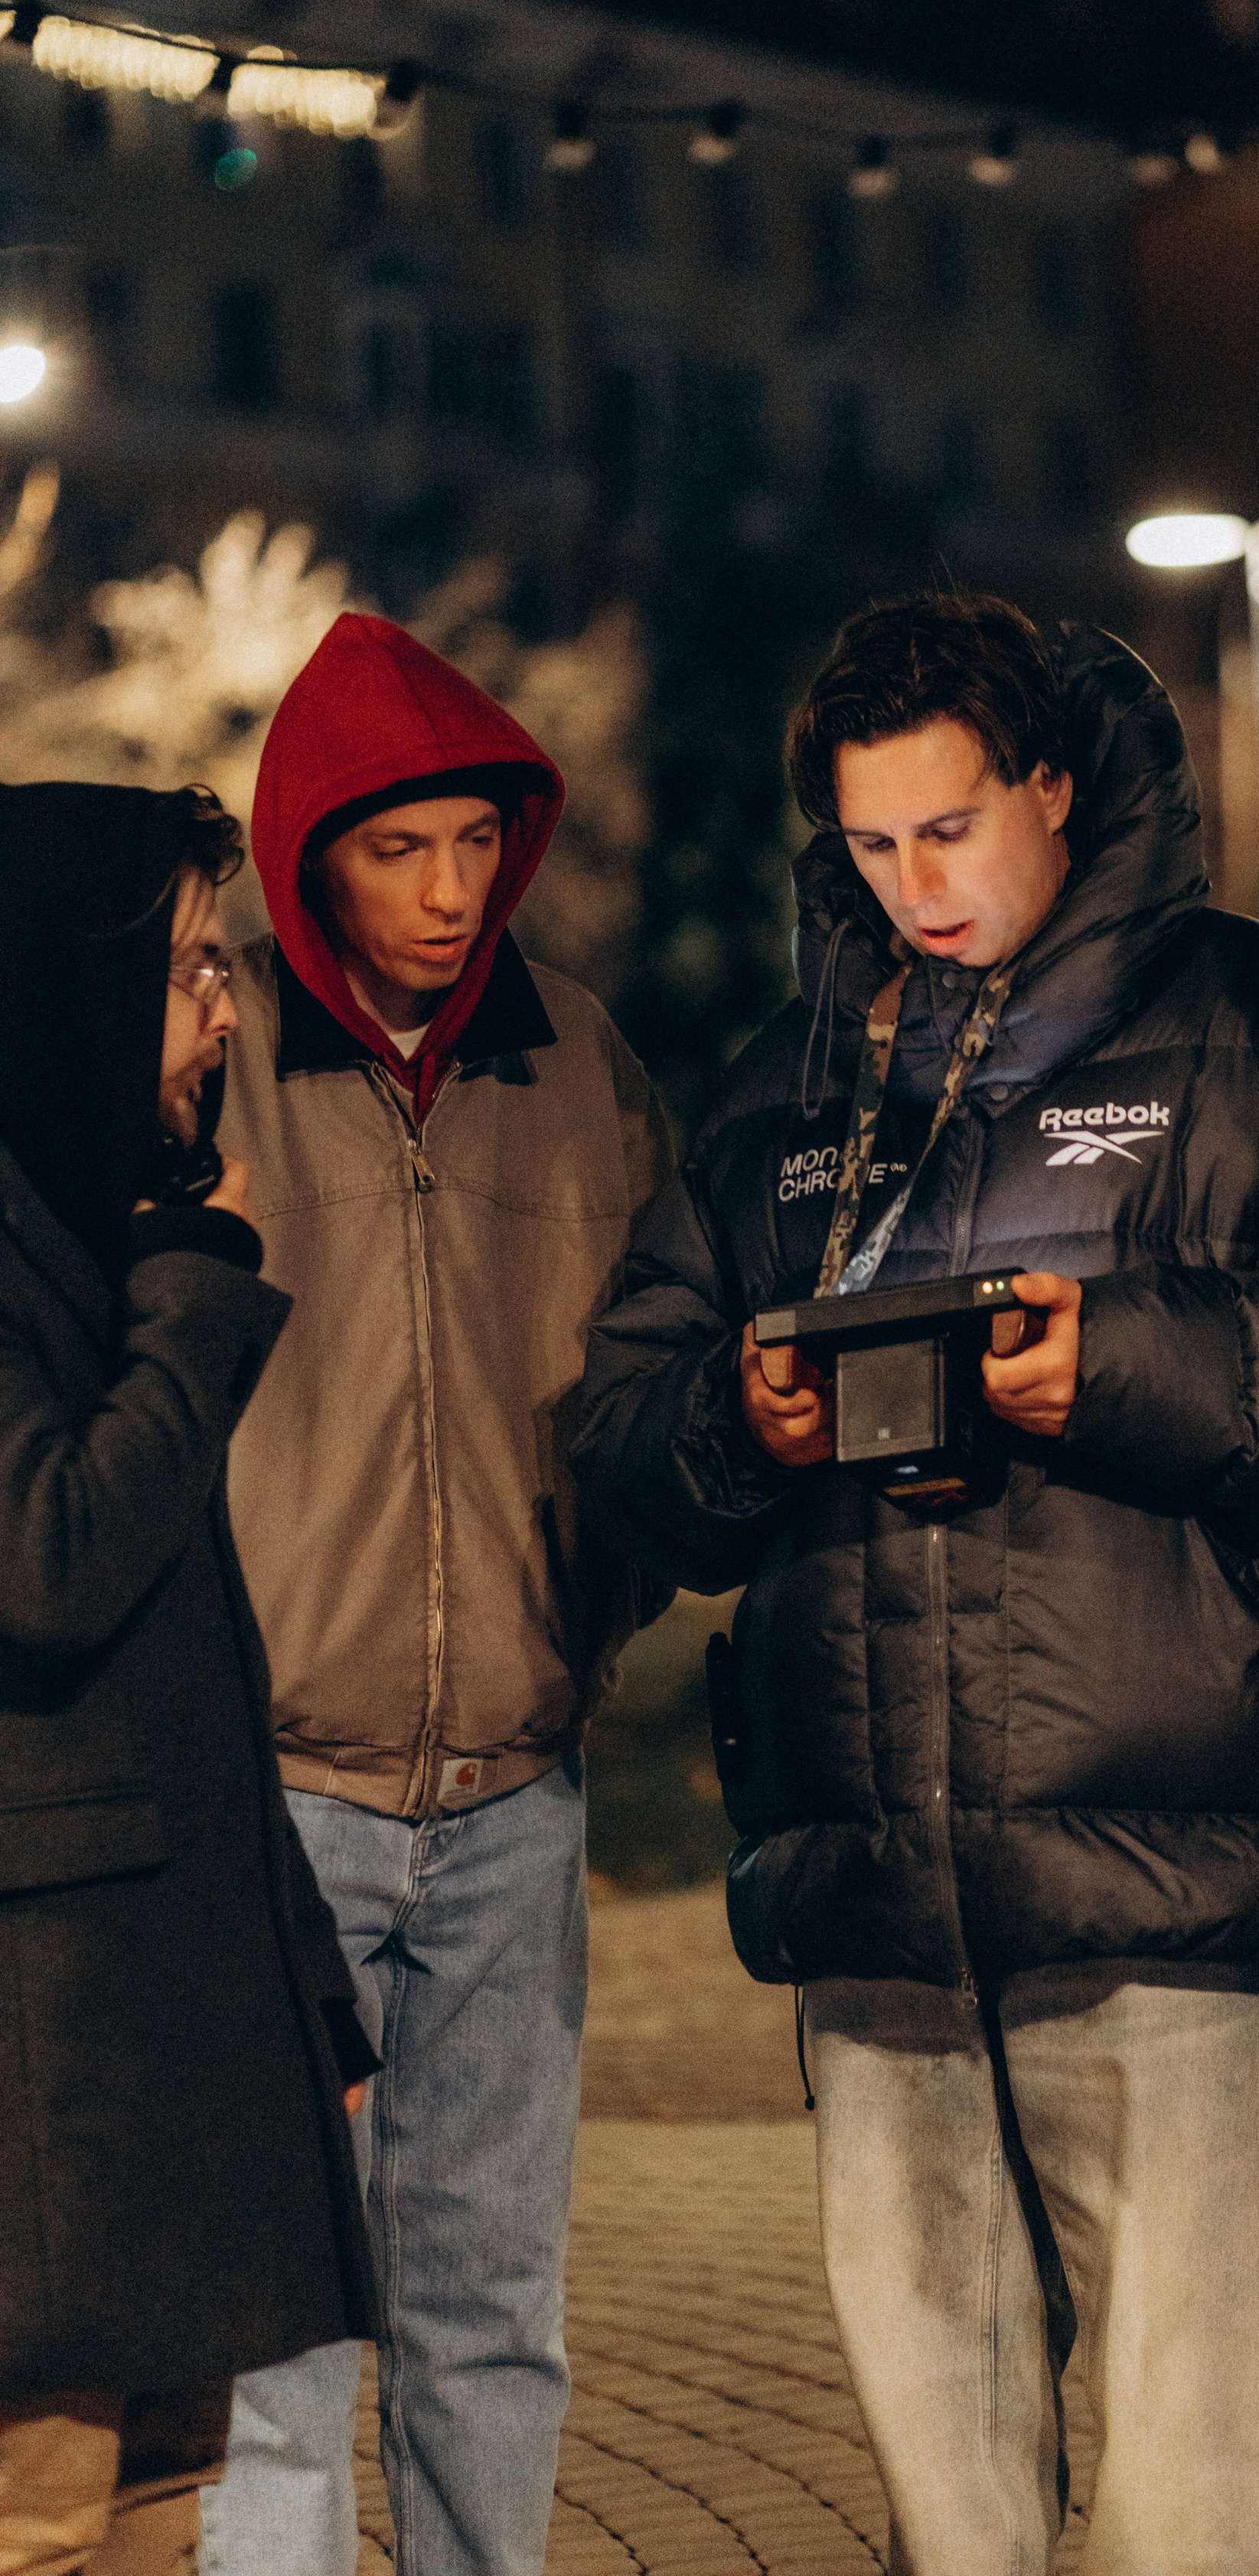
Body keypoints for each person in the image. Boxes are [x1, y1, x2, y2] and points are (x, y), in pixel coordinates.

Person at [574, 591, 1259, 2574]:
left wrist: (1127, 1367)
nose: (916, 888)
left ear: (1056, 792)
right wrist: (748, 1422)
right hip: (878, 1925)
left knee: (1190, 2501)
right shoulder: (793, 1090)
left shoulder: (1255, 1031)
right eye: (872, 844)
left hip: (1170, 1903)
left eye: (952, 828)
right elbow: (619, 1432)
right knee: (950, 2518)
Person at [197, 615, 670, 2576]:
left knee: (495, 2323)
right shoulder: (212, 1053)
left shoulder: (572, 1061)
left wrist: (588, 1622)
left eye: (480, 844)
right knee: (283, 2343)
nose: (451, 891)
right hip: (276, 1797)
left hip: (510, 1799)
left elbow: (651, 1377)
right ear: (313, 852)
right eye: (402, 850)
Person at [0, 781, 377, 2576]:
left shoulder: (83, 1224)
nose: (226, 1008)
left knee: (154, 2518)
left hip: (149, 2047)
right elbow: (51, 1562)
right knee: (44, 2528)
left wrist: (309, 1990)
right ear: (63, 985)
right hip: (46, 2073)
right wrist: (195, 1301)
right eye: (187, 969)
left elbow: (195, 1660)